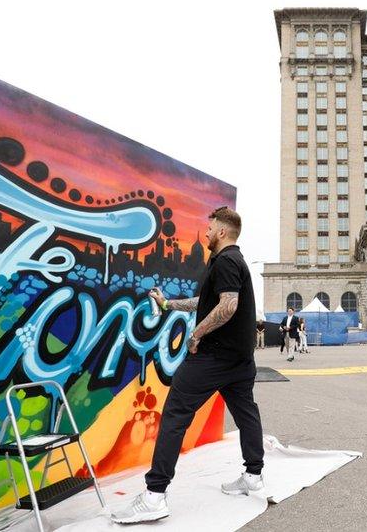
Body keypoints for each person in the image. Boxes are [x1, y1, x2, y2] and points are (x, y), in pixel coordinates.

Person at [113, 207, 263, 524]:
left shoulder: (225, 260)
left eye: (209, 228)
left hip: (215, 356)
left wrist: (195, 334)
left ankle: (154, 496)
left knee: (175, 413)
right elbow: (206, 302)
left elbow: (228, 306)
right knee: (246, 412)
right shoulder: (232, 262)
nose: (205, 233)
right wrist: (168, 304)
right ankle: (253, 475)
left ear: (222, 232)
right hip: (240, 359)